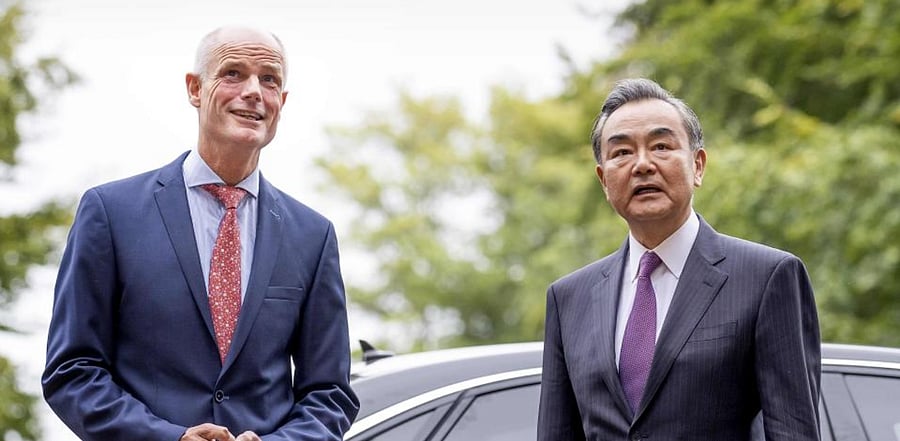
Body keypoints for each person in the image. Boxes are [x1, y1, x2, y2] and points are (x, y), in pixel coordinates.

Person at [42, 26, 359, 441]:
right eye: (233, 73)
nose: (253, 91)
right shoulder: (111, 212)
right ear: (195, 88)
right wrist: (167, 437)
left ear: (281, 102)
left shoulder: (313, 236)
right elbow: (72, 371)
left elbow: (330, 394)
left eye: (269, 79)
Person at [537, 78, 821, 440]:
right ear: (604, 180)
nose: (642, 164)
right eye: (622, 152)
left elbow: (793, 431)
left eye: (661, 146)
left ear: (698, 165)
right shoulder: (569, 298)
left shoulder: (766, 277)